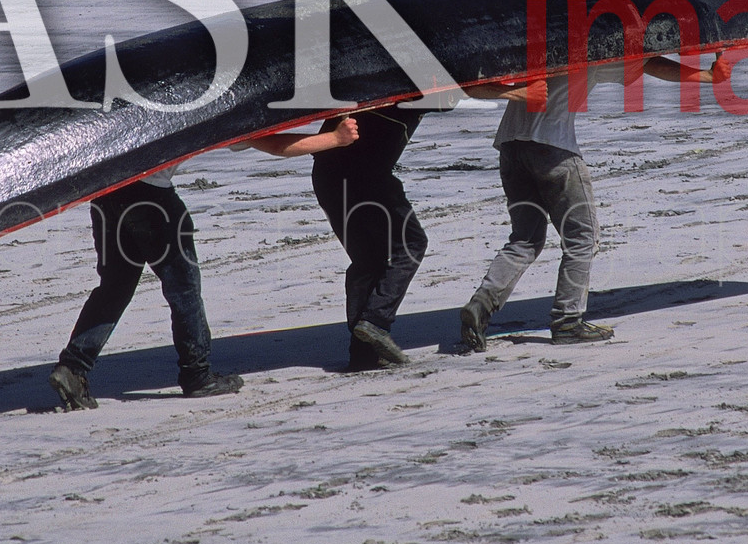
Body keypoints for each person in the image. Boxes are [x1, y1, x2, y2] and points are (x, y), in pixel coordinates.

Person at [48, 118, 359, 410]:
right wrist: (336, 138)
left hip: (107, 190)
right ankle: (197, 375)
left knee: (114, 287)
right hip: (150, 198)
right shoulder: (220, 108)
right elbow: (275, 145)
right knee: (183, 288)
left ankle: (73, 367)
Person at [460, 54, 726, 352]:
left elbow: (471, 84)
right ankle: (567, 322)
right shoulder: (589, 50)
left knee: (525, 238)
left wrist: (515, 92)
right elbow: (649, 62)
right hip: (553, 150)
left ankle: (480, 305)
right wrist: (706, 76)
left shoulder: (531, 45)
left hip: (510, 149)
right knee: (582, 237)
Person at [310, 103, 437, 371]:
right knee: (411, 244)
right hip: (367, 174)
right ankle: (375, 320)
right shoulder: (411, 85)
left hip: (327, 174)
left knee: (367, 260)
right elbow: (463, 89)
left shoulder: (357, 86)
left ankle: (363, 355)